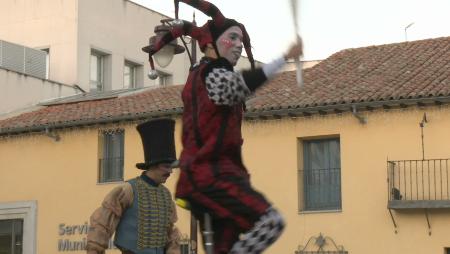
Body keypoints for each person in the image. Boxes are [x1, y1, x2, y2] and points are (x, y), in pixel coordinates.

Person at [146, 1, 303, 253]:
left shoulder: (203, 74)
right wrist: (284, 58)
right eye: (232, 38)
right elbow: (235, 87)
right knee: (271, 222)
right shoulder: (212, 73)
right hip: (212, 176)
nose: (239, 45)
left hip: (214, 175)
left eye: (241, 40)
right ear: (210, 43)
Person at [86, 118, 181, 254]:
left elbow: (170, 232)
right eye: (166, 166)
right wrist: (95, 250)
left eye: (171, 167)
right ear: (153, 165)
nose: (170, 171)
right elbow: (102, 223)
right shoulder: (128, 190)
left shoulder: (166, 195)